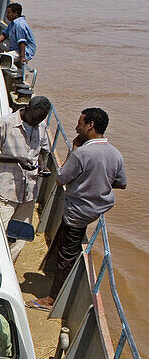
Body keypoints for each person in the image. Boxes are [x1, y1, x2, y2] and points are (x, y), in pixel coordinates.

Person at [31, 108, 126, 311]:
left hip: (77, 212)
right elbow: (121, 183)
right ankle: (50, 271)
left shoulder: (82, 153)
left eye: (80, 123)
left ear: (90, 126)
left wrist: (73, 149)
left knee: (67, 255)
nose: (76, 127)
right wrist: (98, 183)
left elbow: (60, 178)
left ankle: (51, 300)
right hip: (97, 210)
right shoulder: (115, 154)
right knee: (67, 244)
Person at [0, 96, 51, 261]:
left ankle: (8, 270)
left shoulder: (41, 126)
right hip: (5, 191)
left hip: (28, 193)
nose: (37, 122)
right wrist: (17, 160)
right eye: (35, 118)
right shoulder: (4, 123)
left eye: (41, 119)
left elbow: (41, 150)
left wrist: (42, 166)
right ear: (27, 108)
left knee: (20, 238)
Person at [0, 2, 36, 73]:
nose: (7, 16)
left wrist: (22, 57)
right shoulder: (13, 23)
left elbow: (22, 42)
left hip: (24, 50)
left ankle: (18, 74)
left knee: (2, 60)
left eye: (9, 13)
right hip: (15, 45)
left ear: (15, 13)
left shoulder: (19, 25)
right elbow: (5, 33)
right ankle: (3, 56)